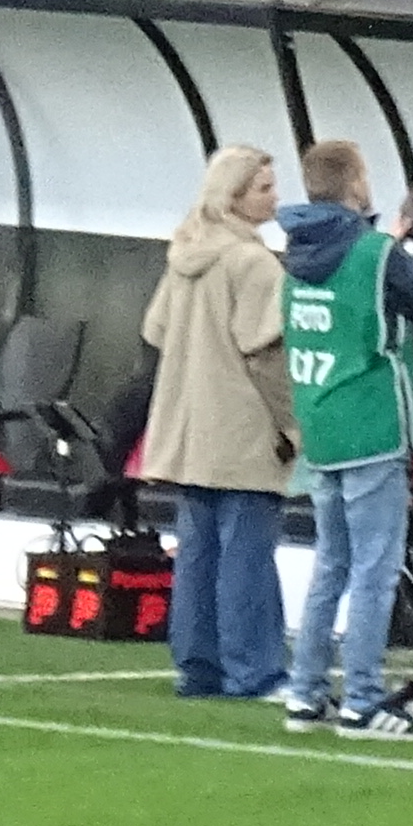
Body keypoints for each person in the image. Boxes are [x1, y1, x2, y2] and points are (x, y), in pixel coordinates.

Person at [273, 139, 413, 741]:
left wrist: (402, 236)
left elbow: (363, 289)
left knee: (331, 563)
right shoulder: (374, 252)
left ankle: (305, 693)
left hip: (322, 427)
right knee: (376, 570)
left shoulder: (297, 253)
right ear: (357, 184)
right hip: (375, 425)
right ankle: (362, 700)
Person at [141, 145, 297, 705]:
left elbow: (155, 330)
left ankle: (199, 668)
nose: (275, 198)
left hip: (187, 426)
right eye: (263, 188)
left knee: (199, 550)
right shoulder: (252, 262)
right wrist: (296, 425)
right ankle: (253, 671)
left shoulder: (185, 253)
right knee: (247, 555)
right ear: (232, 197)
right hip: (242, 426)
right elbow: (267, 354)